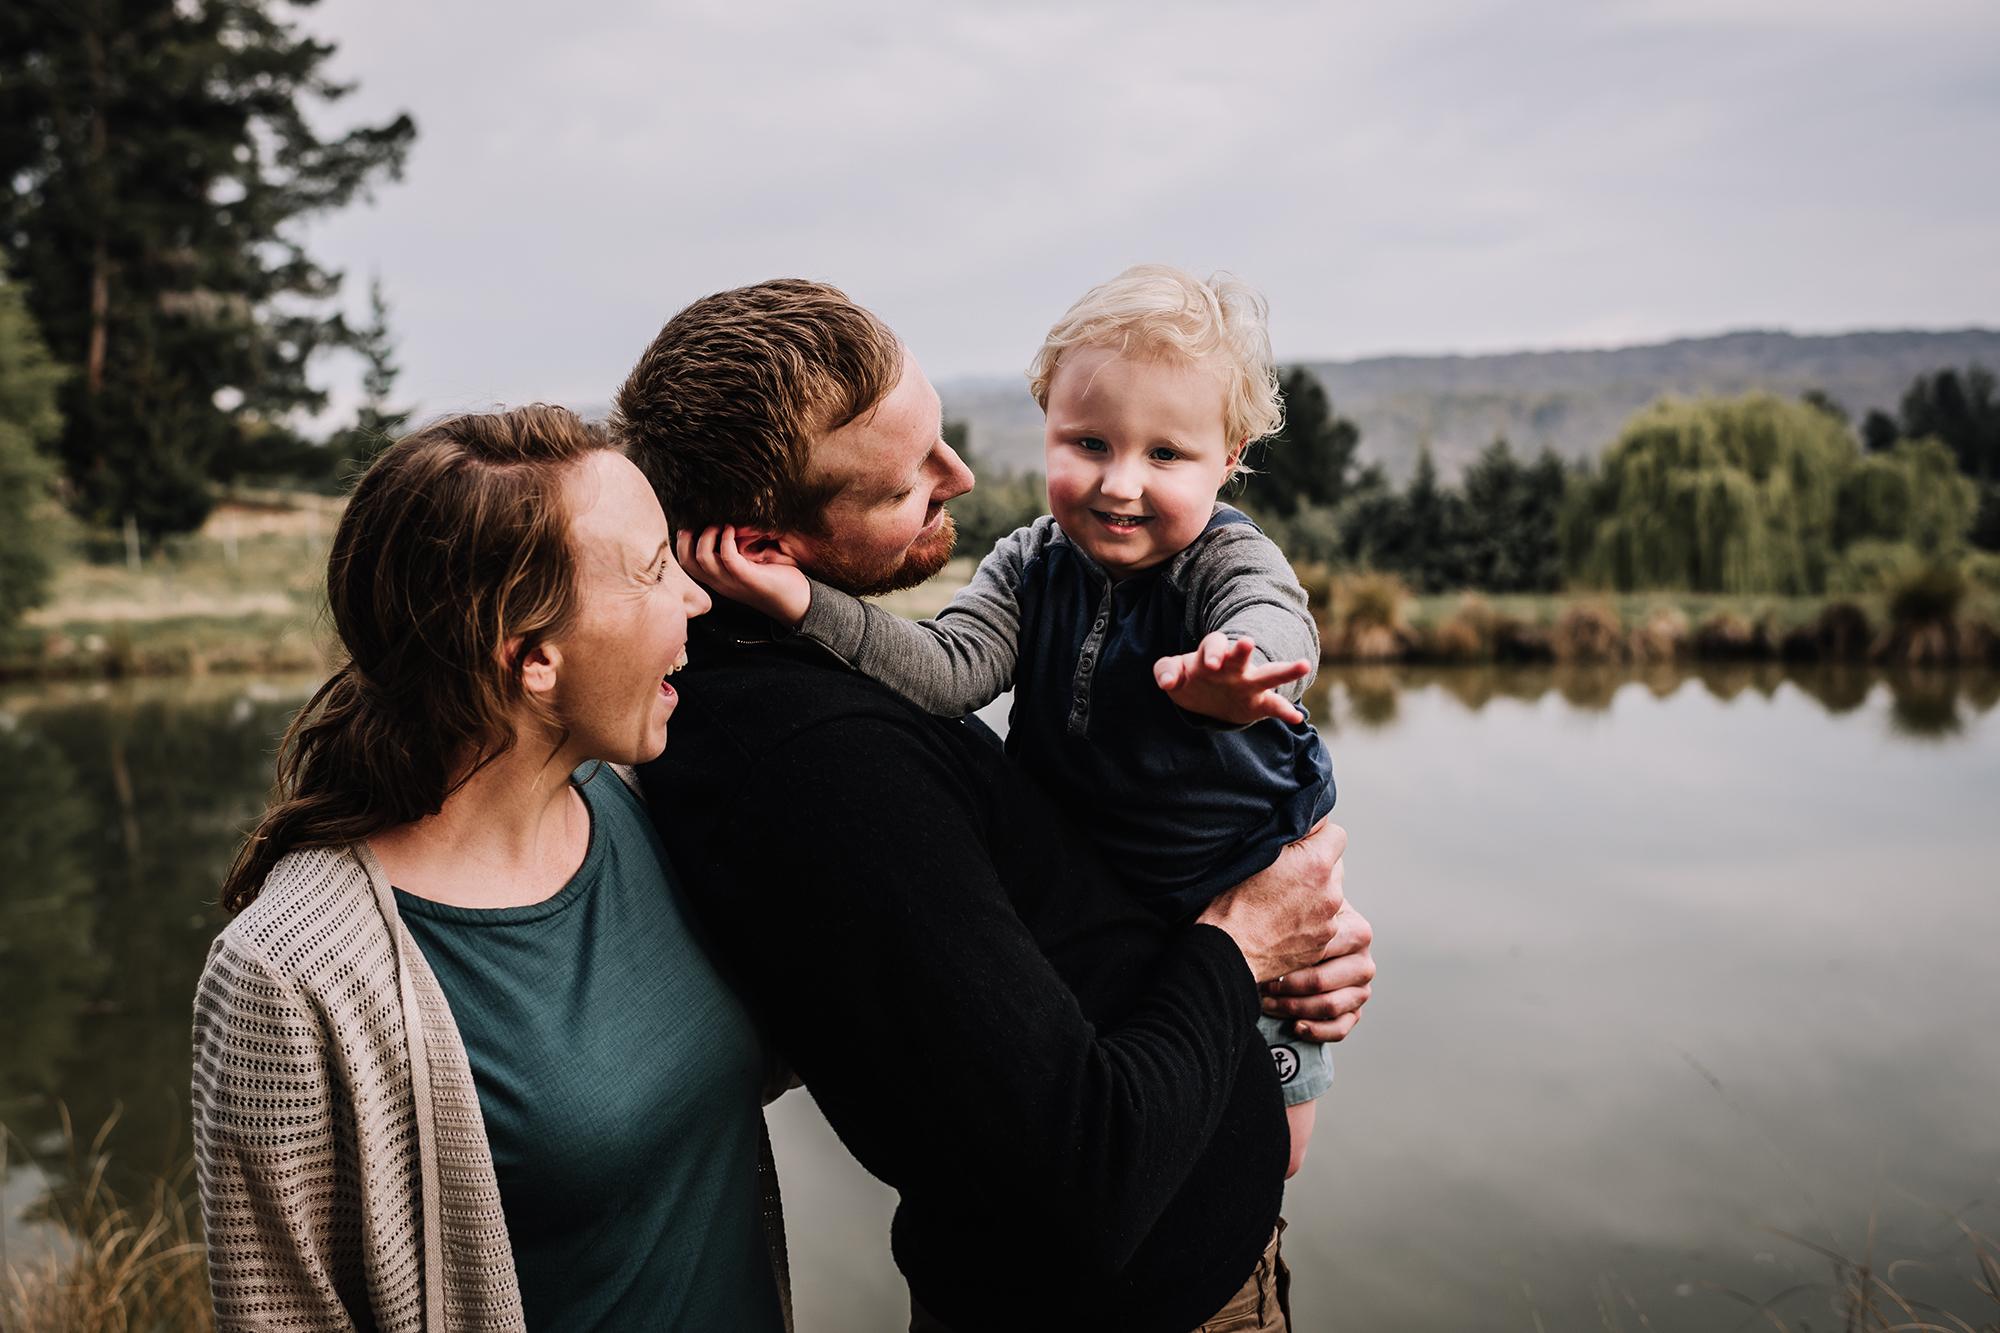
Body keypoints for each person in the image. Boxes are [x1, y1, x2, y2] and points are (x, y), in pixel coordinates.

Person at [613, 280, 1376, 1332]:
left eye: (1167, 454)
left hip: (1202, 1076)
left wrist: (1269, 923)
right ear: (763, 546)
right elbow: (1077, 1166)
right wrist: (1239, 945)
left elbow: (1269, 620)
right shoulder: (819, 757)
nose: (962, 478)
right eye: (905, 481)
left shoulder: (776, 691)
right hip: (1143, 1304)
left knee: (1296, 1065)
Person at [191, 407, 790, 1331]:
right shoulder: (289, 976)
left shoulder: (651, 810)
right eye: (653, 571)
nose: (696, 599)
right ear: (533, 658)